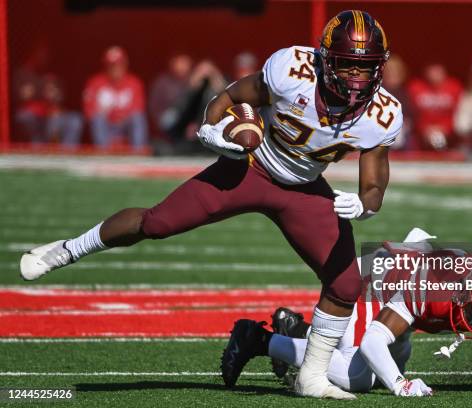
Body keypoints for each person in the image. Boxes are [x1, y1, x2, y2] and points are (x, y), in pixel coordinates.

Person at [19, 10, 402, 400]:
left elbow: (374, 184)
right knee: (157, 223)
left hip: (304, 188)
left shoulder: (381, 114)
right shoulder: (293, 69)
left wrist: (366, 205)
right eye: (347, 65)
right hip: (250, 167)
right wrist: (212, 129)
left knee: (345, 283)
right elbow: (231, 97)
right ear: (323, 59)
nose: (356, 78)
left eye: (365, 67)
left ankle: (312, 377)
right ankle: (68, 249)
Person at [222, 228, 472, 398]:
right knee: (357, 376)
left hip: (404, 287)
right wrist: (401, 386)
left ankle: (297, 330)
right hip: (373, 283)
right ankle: (260, 339)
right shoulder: (433, 291)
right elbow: (372, 341)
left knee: (387, 366)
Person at [83, 46, 148, 151]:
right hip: (105, 125)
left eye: (119, 65)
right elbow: (89, 111)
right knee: (97, 119)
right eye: (112, 65)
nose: (116, 68)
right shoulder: (95, 82)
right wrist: (107, 116)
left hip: (125, 125)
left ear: (125, 65)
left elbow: (138, 108)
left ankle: (138, 153)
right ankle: (102, 153)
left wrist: (122, 117)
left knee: (137, 118)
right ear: (106, 66)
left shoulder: (134, 83)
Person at [408, 63, 463, 151]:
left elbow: (459, 112)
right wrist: (424, 129)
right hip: (423, 132)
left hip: (448, 131)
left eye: (438, 72)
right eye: (432, 72)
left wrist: (446, 128)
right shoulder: (416, 87)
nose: (434, 75)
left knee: (439, 141)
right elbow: (412, 113)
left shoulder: (454, 86)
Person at [149, 54, 193, 140]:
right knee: (171, 116)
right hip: (168, 118)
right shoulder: (162, 82)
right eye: (179, 62)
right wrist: (158, 118)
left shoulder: (194, 81)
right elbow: (153, 105)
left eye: (184, 62)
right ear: (172, 63)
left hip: (189, 120)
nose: (181, 66)